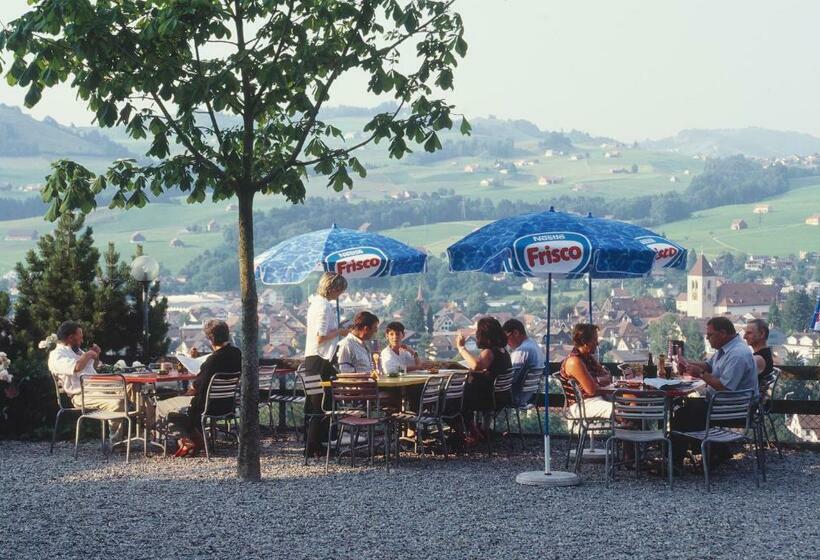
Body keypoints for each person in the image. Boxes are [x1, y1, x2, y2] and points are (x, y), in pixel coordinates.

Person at [672, 317, 758, 467]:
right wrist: (687, 363)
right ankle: (716, 451)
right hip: (723, 404)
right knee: (684, 407)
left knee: (682, 414)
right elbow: (709, 366)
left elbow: (725, 388)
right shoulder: (726, 349)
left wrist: (700, 374)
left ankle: (675, 462)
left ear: (723, 333)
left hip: (733, 408)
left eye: (710, 335)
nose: (707, 338)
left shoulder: (737, 354)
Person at [156, 319, 241, 457]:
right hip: (227, 404)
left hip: (205, 405)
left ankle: (189, 438)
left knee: (161, 406)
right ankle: (190, 437)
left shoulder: (212, 361)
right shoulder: (237, 354)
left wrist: (185, 394)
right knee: (176, 408)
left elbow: (197, 387)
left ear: (210, 339)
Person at [48, 320, 126, 439]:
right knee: (117, 403)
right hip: (82, 395)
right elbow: (77, 367)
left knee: (132, 388)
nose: (82, 341)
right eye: (80, 338)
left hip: (97, 387)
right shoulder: (57, 355)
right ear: (70, 338)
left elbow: (92, 369)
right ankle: (116, 442)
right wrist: (88, 354)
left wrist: (96, 356)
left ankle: (149, 431)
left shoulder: (77, 351)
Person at [455, 317, 512, 445]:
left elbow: (476, 365)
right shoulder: (503, 351)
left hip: (487, 399)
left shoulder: (489, 352)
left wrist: (461, 348)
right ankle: (477, 431)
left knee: (455, 400)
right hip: (500, 396)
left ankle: (472, 434)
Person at [558, 323, 613, 420]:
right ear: (585, 342)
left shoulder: (587, 357)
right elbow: (591, 390)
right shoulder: (574, 362)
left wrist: (597, 381)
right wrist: (600, 380)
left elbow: (607, 376)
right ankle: (628, 426)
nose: (597, 343)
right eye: (594, 340)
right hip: (582, 404)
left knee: (631, 402)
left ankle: (629, 426)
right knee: (619, 409)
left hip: (597, 399)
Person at [304, 272, 349, 380]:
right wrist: (339, 331)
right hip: (320, 359)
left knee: (317, 391)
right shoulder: (323, 307)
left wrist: (338, 328)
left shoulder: (316, 303)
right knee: (324, 391)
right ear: (333, 289)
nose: (341, 293)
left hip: (315, 358)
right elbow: (320, 337)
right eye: (341, 290)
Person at [503, 318, 545, 406]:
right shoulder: (534, 345)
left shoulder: (522, 351)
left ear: (515, 333)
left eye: (506, 338)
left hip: (515, 397)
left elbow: (510, 378)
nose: (506, 343)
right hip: (528, 397)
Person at [743, 318, 774, 384]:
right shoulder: (766, 355)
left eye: (749, 333)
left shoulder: (758, 359)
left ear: (762, 334)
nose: (744, 337)